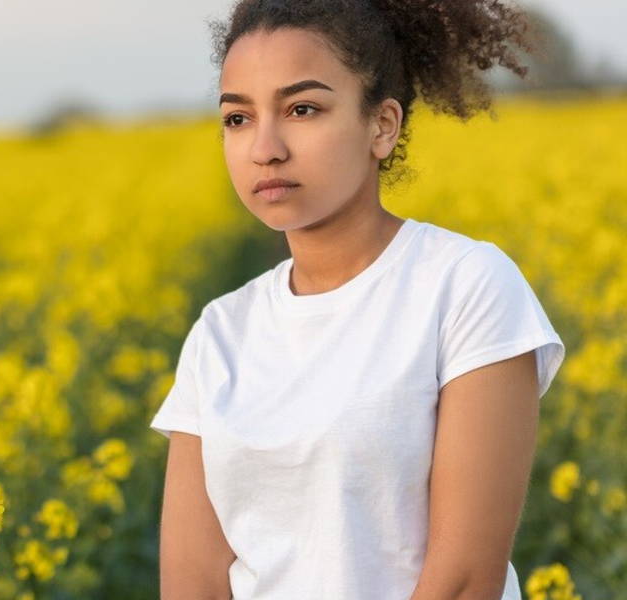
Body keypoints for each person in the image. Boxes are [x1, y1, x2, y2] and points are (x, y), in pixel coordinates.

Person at [149, 1, 565, 599]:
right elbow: (192, 587)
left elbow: (464, 582)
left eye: (302, 109)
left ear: (382, 127)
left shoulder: (467, 285)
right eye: (238, 119)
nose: (265, 147)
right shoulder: (219, 333)